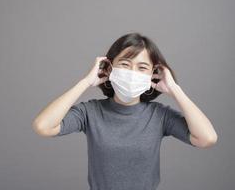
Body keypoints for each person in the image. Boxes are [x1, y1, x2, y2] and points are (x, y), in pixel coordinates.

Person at [32, 32, 218, 190]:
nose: (132, 72)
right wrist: (86, 82)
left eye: (142, 67)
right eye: (125, 64)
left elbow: (207, 138)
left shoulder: (159, 115)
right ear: (109, 67)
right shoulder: (90, 112)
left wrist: (175, 89)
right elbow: (43, 126)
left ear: (153, 74)